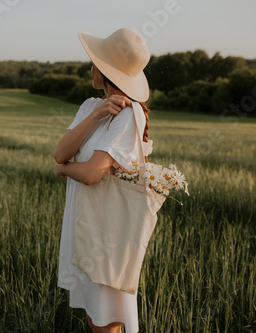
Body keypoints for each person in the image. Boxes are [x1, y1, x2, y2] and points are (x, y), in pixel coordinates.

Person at [54, 28, 154, 333]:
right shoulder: (90, 107)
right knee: (94, 317)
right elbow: (60, 152)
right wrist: (97, 114)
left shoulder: (130, 115)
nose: (90, 67)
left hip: (107, 233)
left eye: (94, 61)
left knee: (105, 323)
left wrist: (64, 171)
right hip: (86, 225)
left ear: (104, 70)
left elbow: (90, 172)